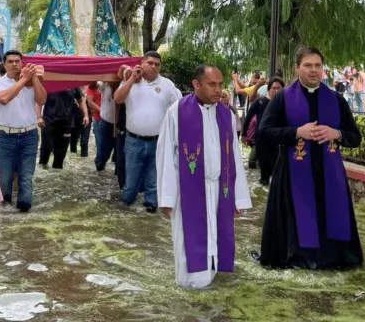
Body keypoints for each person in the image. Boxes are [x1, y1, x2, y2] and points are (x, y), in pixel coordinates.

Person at [258, 47, 363, 269]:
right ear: (297, 68)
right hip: (292, 175)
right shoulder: (283, 99)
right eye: (308, 65)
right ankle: (296, 258)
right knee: (296, 219)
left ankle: (331, 259)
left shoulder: (336, 100)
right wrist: (297, 132)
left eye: (317, 65)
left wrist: (338, 134)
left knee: (329, 217)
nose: (313, 70)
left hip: (329, 176)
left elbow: (355, 137)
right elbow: (264, 131)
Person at [156, 65, 252, 288]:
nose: (218, 90)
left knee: (219, 239)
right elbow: (165, 158)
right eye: (212, 84)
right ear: (196, 84)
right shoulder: (177, 112)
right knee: (188, 245)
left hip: (220, 189)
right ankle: (190, 288)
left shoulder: (226, 114)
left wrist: (238, 199)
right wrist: (166, 198)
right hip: (188, 191)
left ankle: (214, 282)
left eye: (220, 84)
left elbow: (234, 158)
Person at [115, 51, 182, 212]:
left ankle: (151, 208)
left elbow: (179, 109)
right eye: (150, 63)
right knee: (131, 180)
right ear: (142, 63)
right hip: (133, 141)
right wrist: (131, 78)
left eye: (157, 64)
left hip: (158, 141)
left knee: (154, 181)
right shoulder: (130, 80)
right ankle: (126, 206)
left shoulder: (167, 85)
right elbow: (118, 99)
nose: (153, 67)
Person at [0, 50, 47, 212]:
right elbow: (4, 99)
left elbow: (42, 100)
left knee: (26, 177)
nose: (14, 64)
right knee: (4, 178)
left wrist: (34, 78)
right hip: (5, 136)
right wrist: (24, 79)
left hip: (29, 135)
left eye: (17, 61)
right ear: (4, 64)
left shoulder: (30, 81)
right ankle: (5, 213)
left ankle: (24, 212)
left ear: (22, 63)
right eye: (10, 61)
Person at [242, 77, 285, 186]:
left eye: (278, 88)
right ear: (269, 89)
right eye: (273, 88)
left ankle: (273, 194)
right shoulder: (260, 102)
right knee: (264, 170)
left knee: (276, 168)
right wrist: (244, 134)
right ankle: (263, 189)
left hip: (277, 140)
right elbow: (248, 118)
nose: (276, 91)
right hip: (261, 139)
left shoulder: (284, 103)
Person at [39, 88, 88, 169]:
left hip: (66, 124)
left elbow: (81, 100)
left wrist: (85, 115)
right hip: (48, 122)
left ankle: (56, 177)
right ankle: (42, 169)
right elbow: (39, 101)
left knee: (60, 157)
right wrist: (38, 117)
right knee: (46, 150)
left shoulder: (72, 84)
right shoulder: (48, 82)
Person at [95, 81, 118, 172]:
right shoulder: (103, 85)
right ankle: (99, 172)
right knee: (102, 154)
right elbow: (93, 85)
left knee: (120, 156)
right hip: (105, 124)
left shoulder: (125, 85)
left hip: (121, 125)